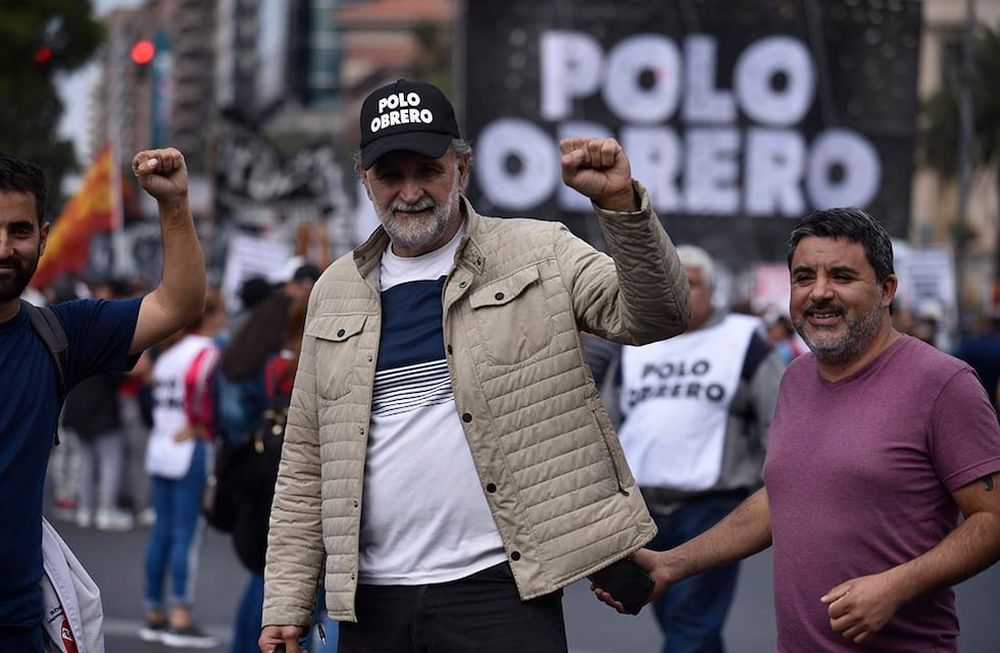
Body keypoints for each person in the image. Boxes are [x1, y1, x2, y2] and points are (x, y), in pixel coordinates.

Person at [259, 79, 691, 653]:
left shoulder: (540, 252)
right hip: (372, 602)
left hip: (501, 592)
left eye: (428, 170)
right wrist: (286, 603)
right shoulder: (334, 290)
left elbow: (656, 316)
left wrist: (620, 207)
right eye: (391, 174)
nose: (410, 191)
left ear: (462, 169)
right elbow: (306, 462)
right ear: (364, 179)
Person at [595, 208, 1000, 652]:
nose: (820, 292)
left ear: (886, 290)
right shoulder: (796, 377)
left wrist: (896, 585)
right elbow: (782, 496)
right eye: (804, 277)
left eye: (842, 276)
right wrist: (671, 565)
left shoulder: (943, 383)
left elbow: (992, 518)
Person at [0, 148, 206, 653]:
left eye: (19, 232)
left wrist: (174, 203)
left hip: (18, 627)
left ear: (44, 238)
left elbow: (178, 303)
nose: (4, 247)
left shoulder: (58, 334)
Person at [586, 244, 783, 652]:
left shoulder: (744, 342)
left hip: (711, 507)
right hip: (645, 509)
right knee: (678, 618)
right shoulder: (637, 343)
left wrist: (775, 491)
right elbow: (610, 419)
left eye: (690, 284)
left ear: (712, 292)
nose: (679, 291)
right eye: (671, 282)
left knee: (692, 623)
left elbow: (776, 418)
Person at [140, 289, 225, 648]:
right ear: (211, 317)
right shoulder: (206, 352)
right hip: (188, 447)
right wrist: (199, 421)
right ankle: (180, 617)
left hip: (160, 444)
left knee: (162, 531)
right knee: (185, 536)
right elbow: (205, 390)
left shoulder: (168, 353)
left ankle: (155, 611)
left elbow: (149, 398)